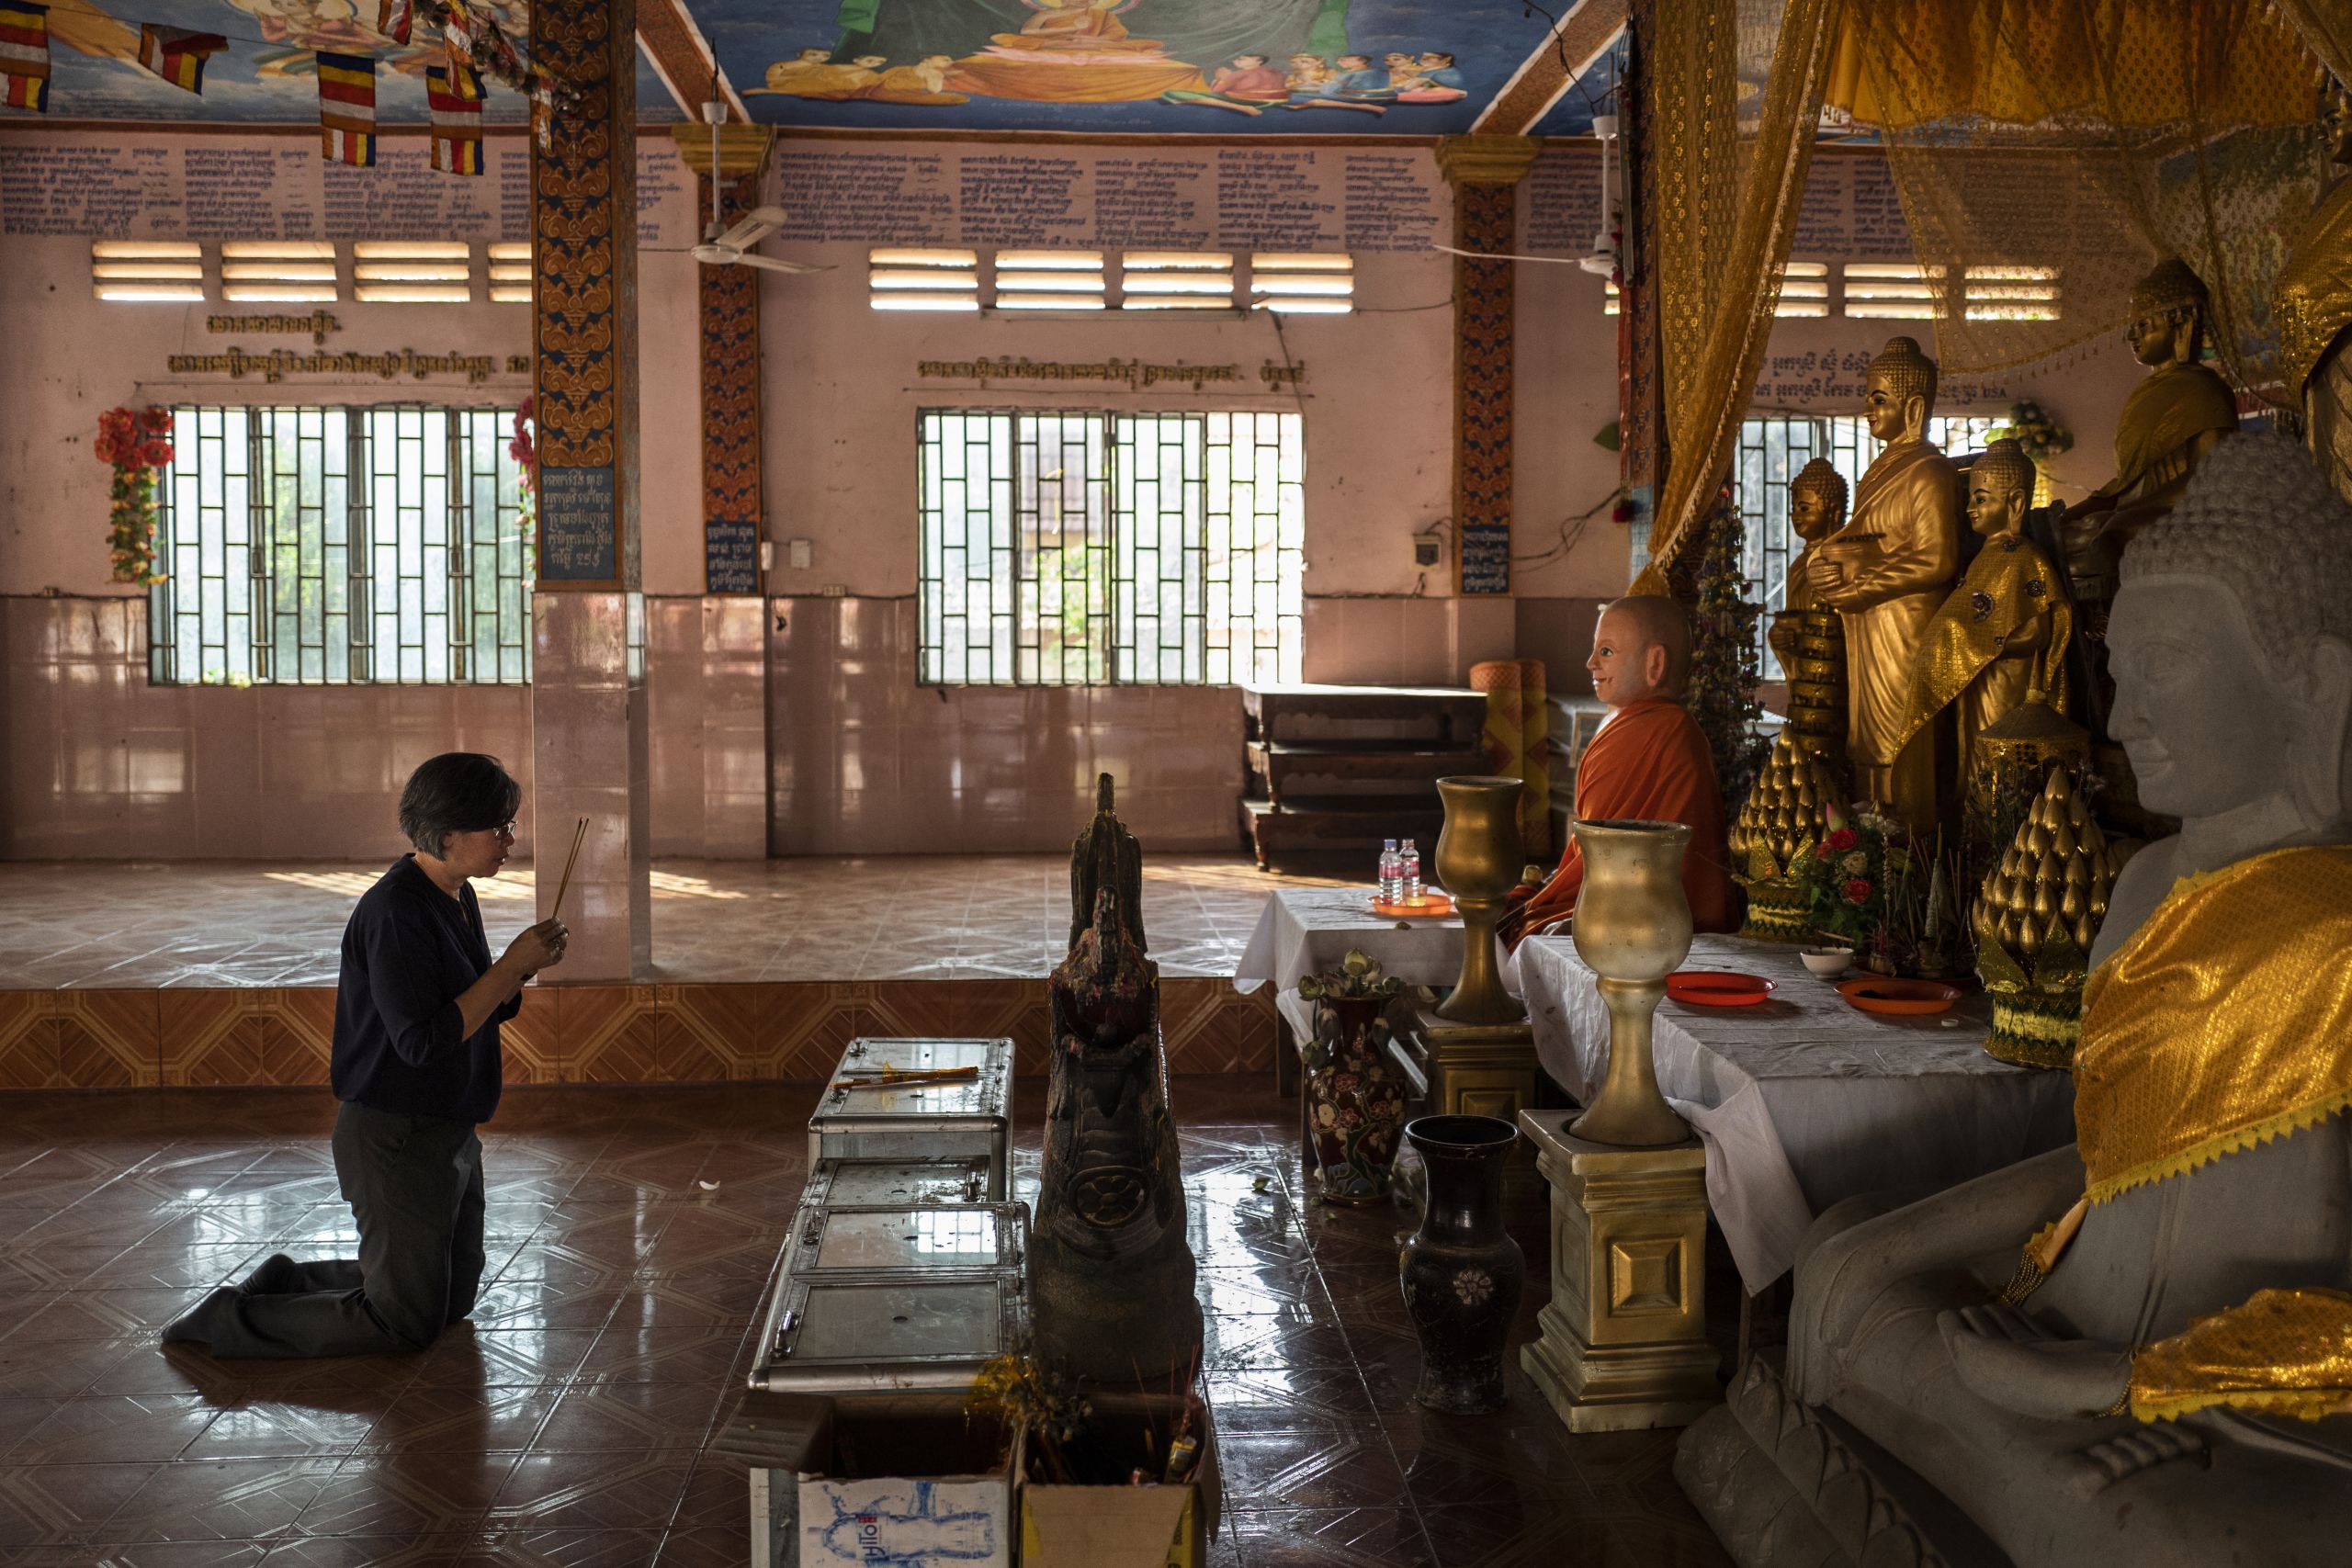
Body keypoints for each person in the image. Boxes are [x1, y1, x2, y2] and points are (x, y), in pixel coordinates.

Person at [161, 753, 567, 1358]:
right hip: (394, 1133)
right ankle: (227, 1321)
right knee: (403, 1322)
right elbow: (422, 1041)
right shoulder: (396, 911)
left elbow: (479, 1007)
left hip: (447, 1124)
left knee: (450, 1299)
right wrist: (510, 968)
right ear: (450, 834)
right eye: (499, 827)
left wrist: (516, 972)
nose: (511, 839)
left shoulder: (456, 894)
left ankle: (287, 1281)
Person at [1498, 597, 1738, 947]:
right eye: (1595, 651)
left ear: (1655, 663)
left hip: (1645, 911)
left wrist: (1543, 896)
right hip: (1691, 907)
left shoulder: (1646, 733)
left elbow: (1599, 854)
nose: (1591, 663)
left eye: (1607, 652)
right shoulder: (1669, 728)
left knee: (1516, 930)